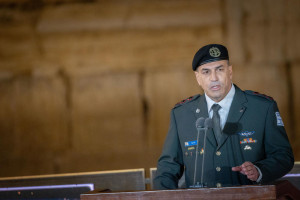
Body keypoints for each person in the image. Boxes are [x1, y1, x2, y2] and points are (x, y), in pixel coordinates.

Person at [153, 44, 294, 189]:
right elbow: (168, 167)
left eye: (219, 69)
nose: (214, 78)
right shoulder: (181, 114)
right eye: (206, 72)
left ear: (230, 71)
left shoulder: (262, 108)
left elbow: (283, 156)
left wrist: (259, 170)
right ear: (198, 78)